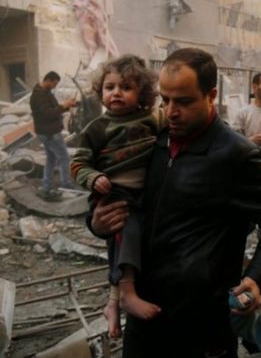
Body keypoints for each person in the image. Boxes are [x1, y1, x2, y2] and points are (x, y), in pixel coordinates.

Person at [90, 48, 261, 357]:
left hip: (203, 325)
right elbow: (114, 200)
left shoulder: (235, 155)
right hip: (144, 318)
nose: (171, 111)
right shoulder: (149, 142)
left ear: (211, 95)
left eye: (183, 101)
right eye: (165, 100)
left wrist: (255, 279)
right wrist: (96, 223)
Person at [71, 55, 165, 339]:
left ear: (143, 95)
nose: (115, 93)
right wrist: (94, 178)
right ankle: (125, 293)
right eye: (109, 87)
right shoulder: (96, 128)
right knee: (128, 233)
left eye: (125, 87)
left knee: (133, 241)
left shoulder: (154, 119)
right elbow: (77, 164)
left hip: (144, 194)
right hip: (113, 192)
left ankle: (112, 304)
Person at [30, 71, 77, 199]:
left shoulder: (45, 93)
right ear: (48, 80)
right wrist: (64, 106)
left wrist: (67, 105)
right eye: (54, 84)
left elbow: (55, 108)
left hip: (47, 132)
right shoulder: (39, 95)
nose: (55, 86)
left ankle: (47, 185)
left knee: (51, 159)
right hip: (49, 133)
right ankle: (66, 185)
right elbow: (48, 114)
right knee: (64, 158)